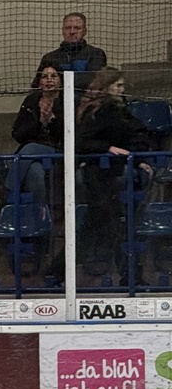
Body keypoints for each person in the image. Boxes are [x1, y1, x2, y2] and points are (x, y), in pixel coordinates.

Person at [76, 67, 154, 284]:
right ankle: (131, 276)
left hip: (114, 174)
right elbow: (81, 142)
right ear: (107, 86)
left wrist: (138, 159)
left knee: (96, 227)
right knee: (109, 226)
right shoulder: (97, 112)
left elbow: (138, 135)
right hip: (99, 176)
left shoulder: (121, 110)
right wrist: (107, 148)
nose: (122, 89)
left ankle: (55, 271)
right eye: (118, 85)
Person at [7, 65, 64, 206]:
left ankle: (6, 193)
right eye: (44, 77)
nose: (49, 80)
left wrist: (51, 119)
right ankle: (40, 214)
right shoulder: (31, 101)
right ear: (39, 82)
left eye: (53, 76)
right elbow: (17, 134)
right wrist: (39, 122)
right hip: (32, 156)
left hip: (59, 151)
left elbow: (69, 134)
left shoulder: (69, 101)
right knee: (35, 171)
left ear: (61, 80)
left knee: (30, 149)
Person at [38, 12, 107, 95]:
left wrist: (58, 80)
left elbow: (93, 81)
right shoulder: (49, 57)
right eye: (68, 28)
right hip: (57, 104)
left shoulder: (96, 54)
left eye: (77, 28)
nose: (72, 31)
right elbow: (37, 85)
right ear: (63, 30)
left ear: (85, 31)